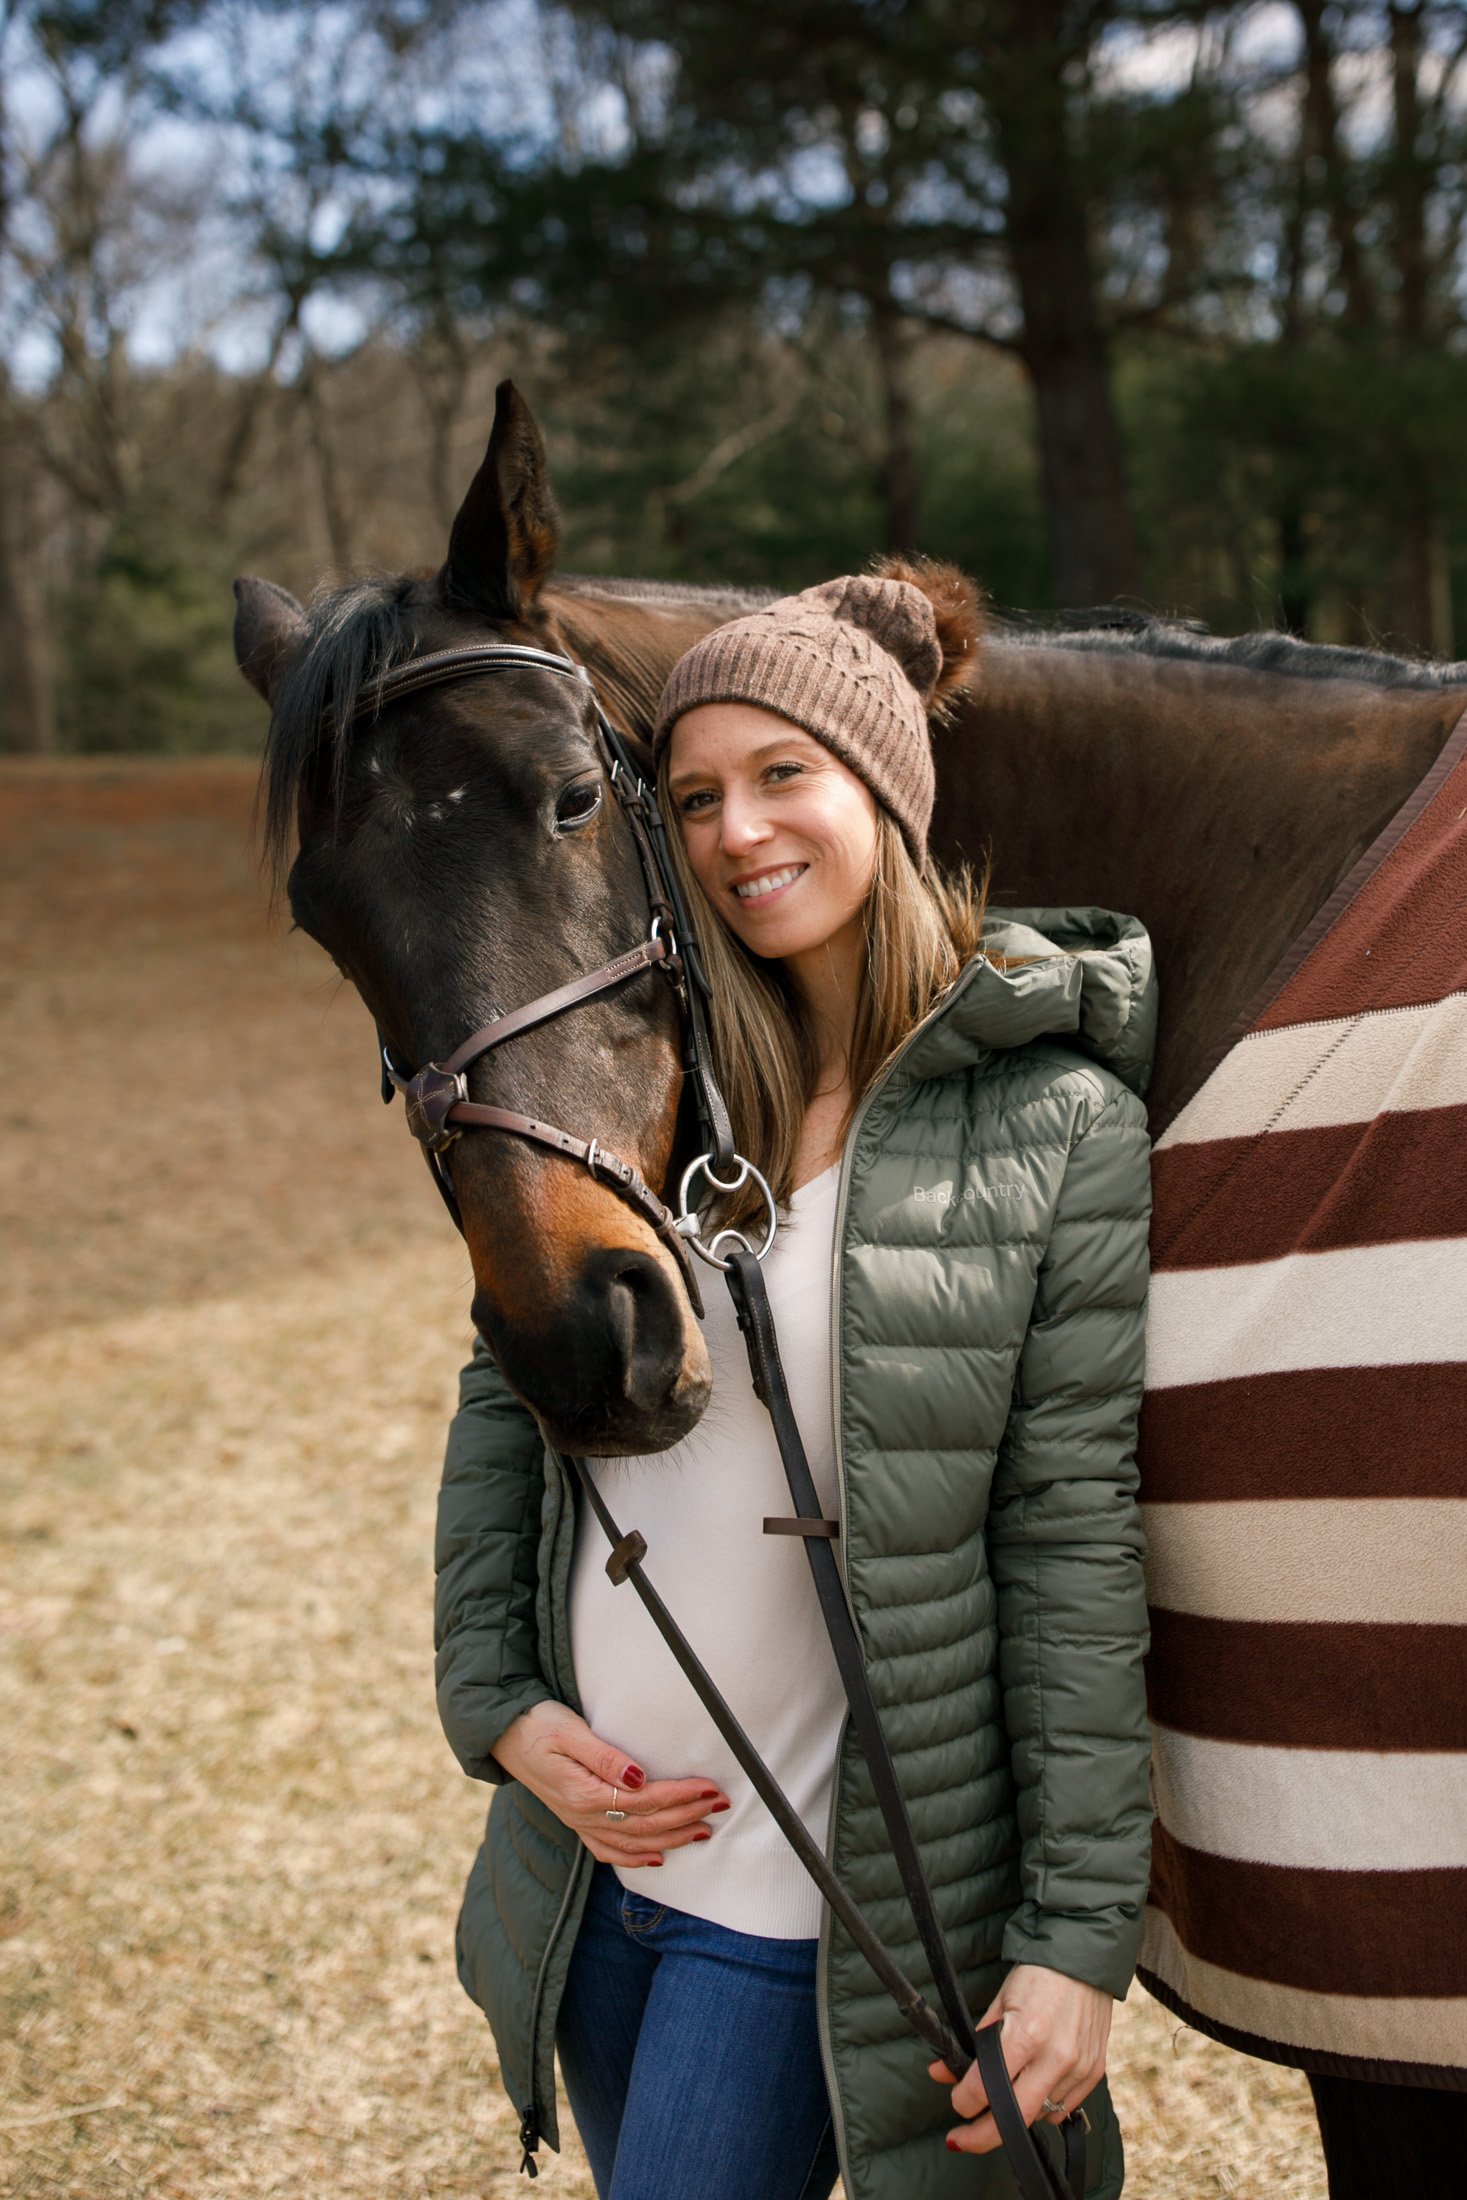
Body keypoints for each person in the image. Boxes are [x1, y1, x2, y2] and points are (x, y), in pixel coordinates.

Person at [435, 563, 1157, 2199]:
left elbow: (1068, 1542)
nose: (735, 831)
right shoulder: (661, 1083)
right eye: (694, 796)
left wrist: (1077, 1938)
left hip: (801, 1903)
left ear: (884, 793)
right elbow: (507, 1398)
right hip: (593, 1872)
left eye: (783, 776)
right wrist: (500, 1708)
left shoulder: (1054, 1128)